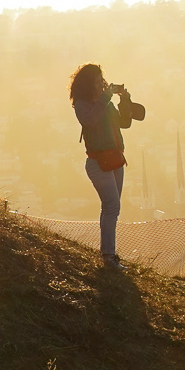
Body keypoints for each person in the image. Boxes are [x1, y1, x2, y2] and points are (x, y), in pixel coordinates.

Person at [69, 63, 144, 269]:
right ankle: (108, 257)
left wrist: (125, 100)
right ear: (87, 83)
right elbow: (91, 120)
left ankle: (109, 254)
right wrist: (106, 97)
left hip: (115, 159)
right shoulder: (82, 105)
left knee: (112, 208)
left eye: (101, 80)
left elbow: (124, 123)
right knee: (112, 207)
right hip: (97, 162)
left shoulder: (105, 102)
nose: (101, 84)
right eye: (97, 81)